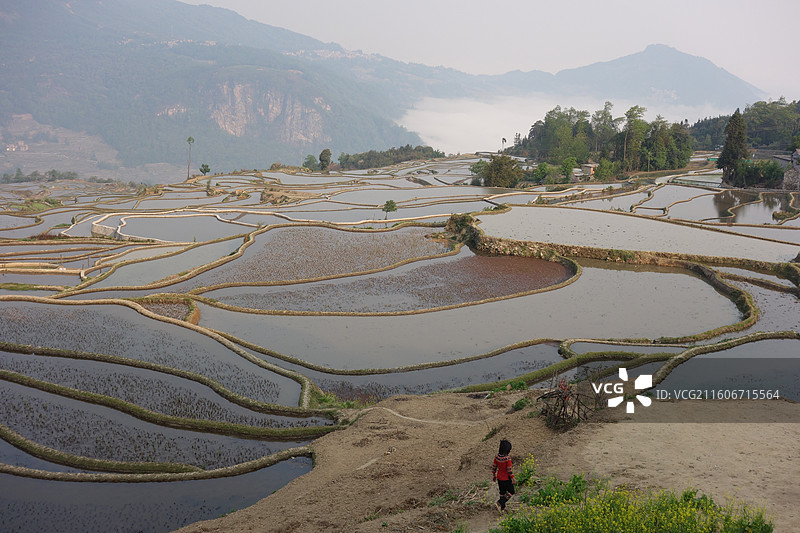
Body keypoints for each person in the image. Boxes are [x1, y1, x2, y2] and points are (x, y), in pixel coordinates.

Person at [491, 439, 515, 512]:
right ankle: (500, 503)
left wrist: (494, 475)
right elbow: (509, 470)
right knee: (511, 491)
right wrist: (513, 478)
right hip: (506, 478)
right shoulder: (507, 459)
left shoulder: (497, 457)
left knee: (502, 492)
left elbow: (494, 466)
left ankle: (502, 508)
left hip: (499, 477)